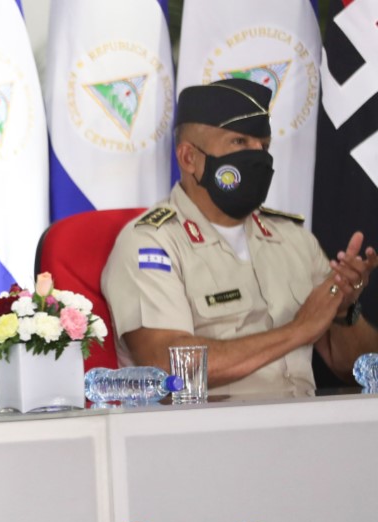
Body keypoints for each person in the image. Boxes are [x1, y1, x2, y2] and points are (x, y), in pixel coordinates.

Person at [101, 78, 378, 397]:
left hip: (308, 421)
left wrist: (344, 311)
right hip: (213, 427)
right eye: (240, 142)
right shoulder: (152, 243)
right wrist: (298, 330)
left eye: (264, 146)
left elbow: (354, 369)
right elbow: (165, 365)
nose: (258, 156)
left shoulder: (295, 240)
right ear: (189, 158)